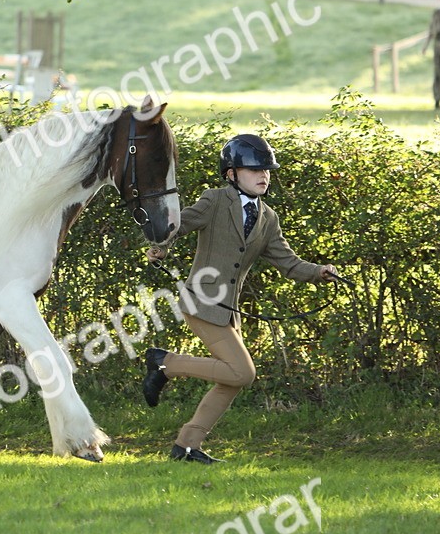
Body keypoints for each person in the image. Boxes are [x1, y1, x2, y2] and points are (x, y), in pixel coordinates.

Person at [143, 134, 340, 464]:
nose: (263, 176)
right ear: (232, 174)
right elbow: (179, 224)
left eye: (267, 170)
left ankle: (186, 446)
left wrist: (318, 271)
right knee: (243, 373)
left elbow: (289, 263)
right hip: (201, 303)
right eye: (254, 170)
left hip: (226, 311)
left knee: (231, 380)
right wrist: (161, 246)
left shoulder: (269, 219)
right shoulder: (216, 200)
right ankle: (165, 364)